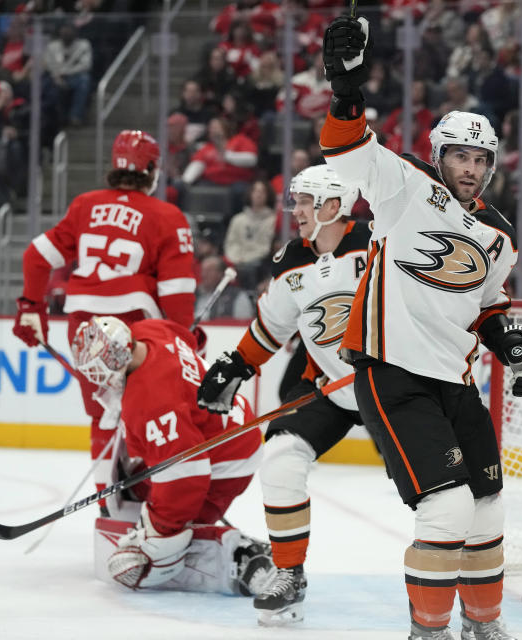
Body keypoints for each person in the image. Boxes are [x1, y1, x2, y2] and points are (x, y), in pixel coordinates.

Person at [319, 15, 522, 640]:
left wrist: (513, 343)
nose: (469, 168)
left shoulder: (498, 233)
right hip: (394, 375)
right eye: (459, 156)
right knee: (445, 506)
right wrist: (345, 93)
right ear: (439, 154)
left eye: (481, 159)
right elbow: (345, 149)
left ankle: (484, 623)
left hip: (454, 381)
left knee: (487, 507)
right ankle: (428, 631)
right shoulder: (406, 187)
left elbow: (487, 304)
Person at [197, 164, 371, 625]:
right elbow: (272, 325)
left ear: (333, 205)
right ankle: (290, 572)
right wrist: (236, 364)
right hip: (328, 387)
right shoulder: (291, 260)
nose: (295, 210)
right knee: (279, 458)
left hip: (392, 390)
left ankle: (465, 575)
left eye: (304, 201)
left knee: (437, 490)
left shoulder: (381, 243)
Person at [12, 130, 196, 513]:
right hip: (137, 326)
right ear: (151, 169)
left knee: (102, 414)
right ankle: (152, 498)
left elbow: (35, 256)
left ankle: (107, 502)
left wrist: (32, 307)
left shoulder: (85, 205)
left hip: (86, 327)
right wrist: (184, 340)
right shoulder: (167, 215)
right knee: (147, 409)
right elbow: (177, 291)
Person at [69, 316, 273, 595]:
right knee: (142, 484)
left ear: (115, 360)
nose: (97, 381)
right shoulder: (149, 330)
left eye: (97, 371)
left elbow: (187, 479)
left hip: (227, 460)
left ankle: (241, 556)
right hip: (226, 427)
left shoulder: (149, 403)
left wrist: (161, 532)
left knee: (145, 558)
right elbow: (191, 341)